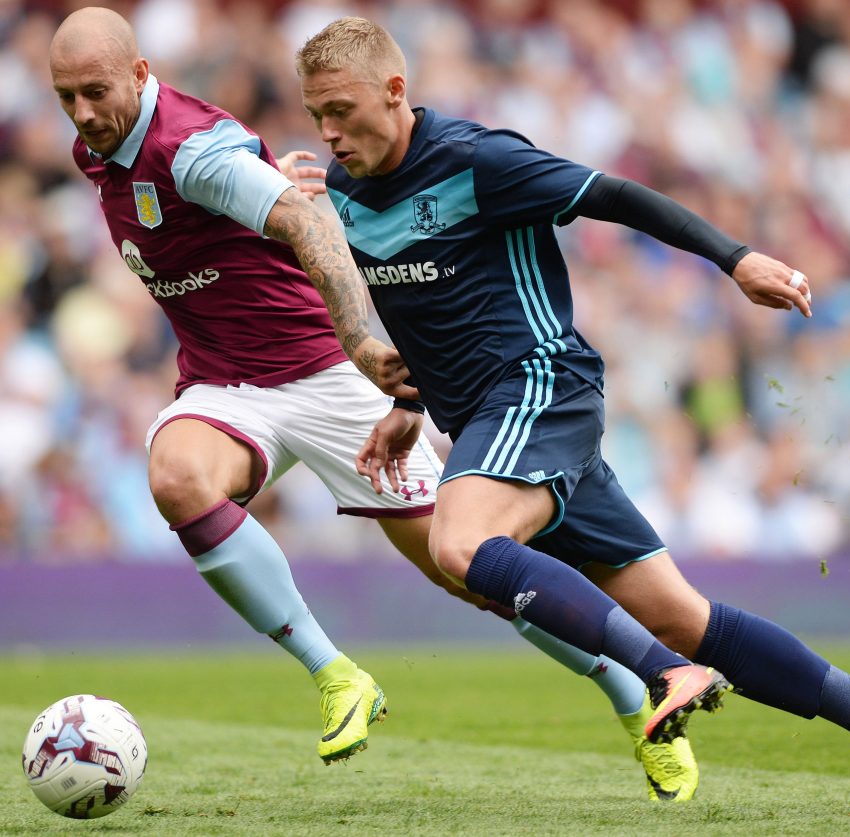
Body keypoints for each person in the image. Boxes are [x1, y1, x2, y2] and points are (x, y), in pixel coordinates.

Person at [295, 16, 850, 815]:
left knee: (459, 540)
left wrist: (735, 258)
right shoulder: (348, 194)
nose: (328, 132)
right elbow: (434, 307)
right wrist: (406, 402)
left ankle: (662, 673)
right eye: (314, 114)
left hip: (540, 386)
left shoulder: (478, 160)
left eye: (341, 109)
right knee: (683, 615)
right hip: (500, 420)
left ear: (395, 92)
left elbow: (617, 195)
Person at [47, 7, 698, 799]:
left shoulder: (191, 148)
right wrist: (257, 170)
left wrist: (361, 343)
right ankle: (338, 677)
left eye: (95, 91)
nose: (82, 112)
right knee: (178, 478)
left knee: (473, 571)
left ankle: (632, 694)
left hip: (330, 374)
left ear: (141, 75)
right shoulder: (98, 146)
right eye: (66, 96)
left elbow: (306, 223)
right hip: (228, 386)